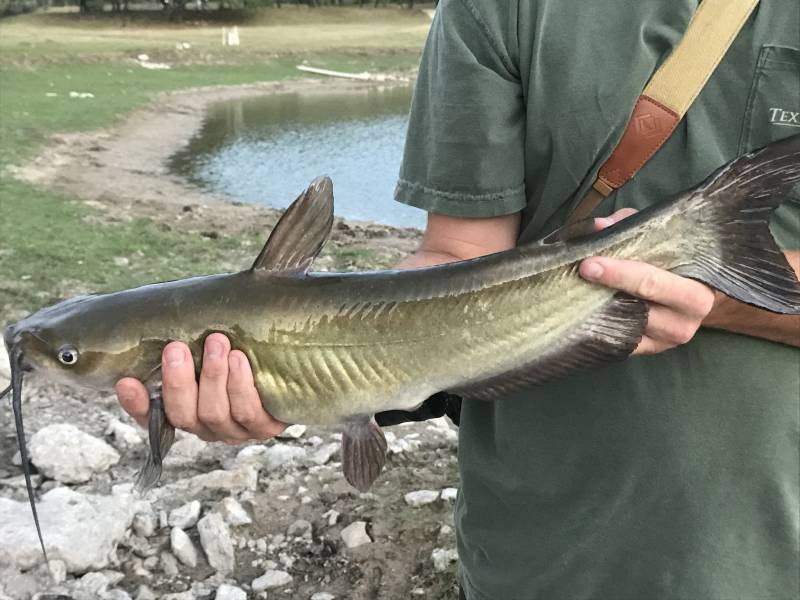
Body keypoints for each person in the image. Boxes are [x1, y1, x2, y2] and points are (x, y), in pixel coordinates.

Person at [116, 1, 800, 597]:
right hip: (538, 559)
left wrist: (719, 296)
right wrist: (310, 377)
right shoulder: (493, 7)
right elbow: (457, 263)